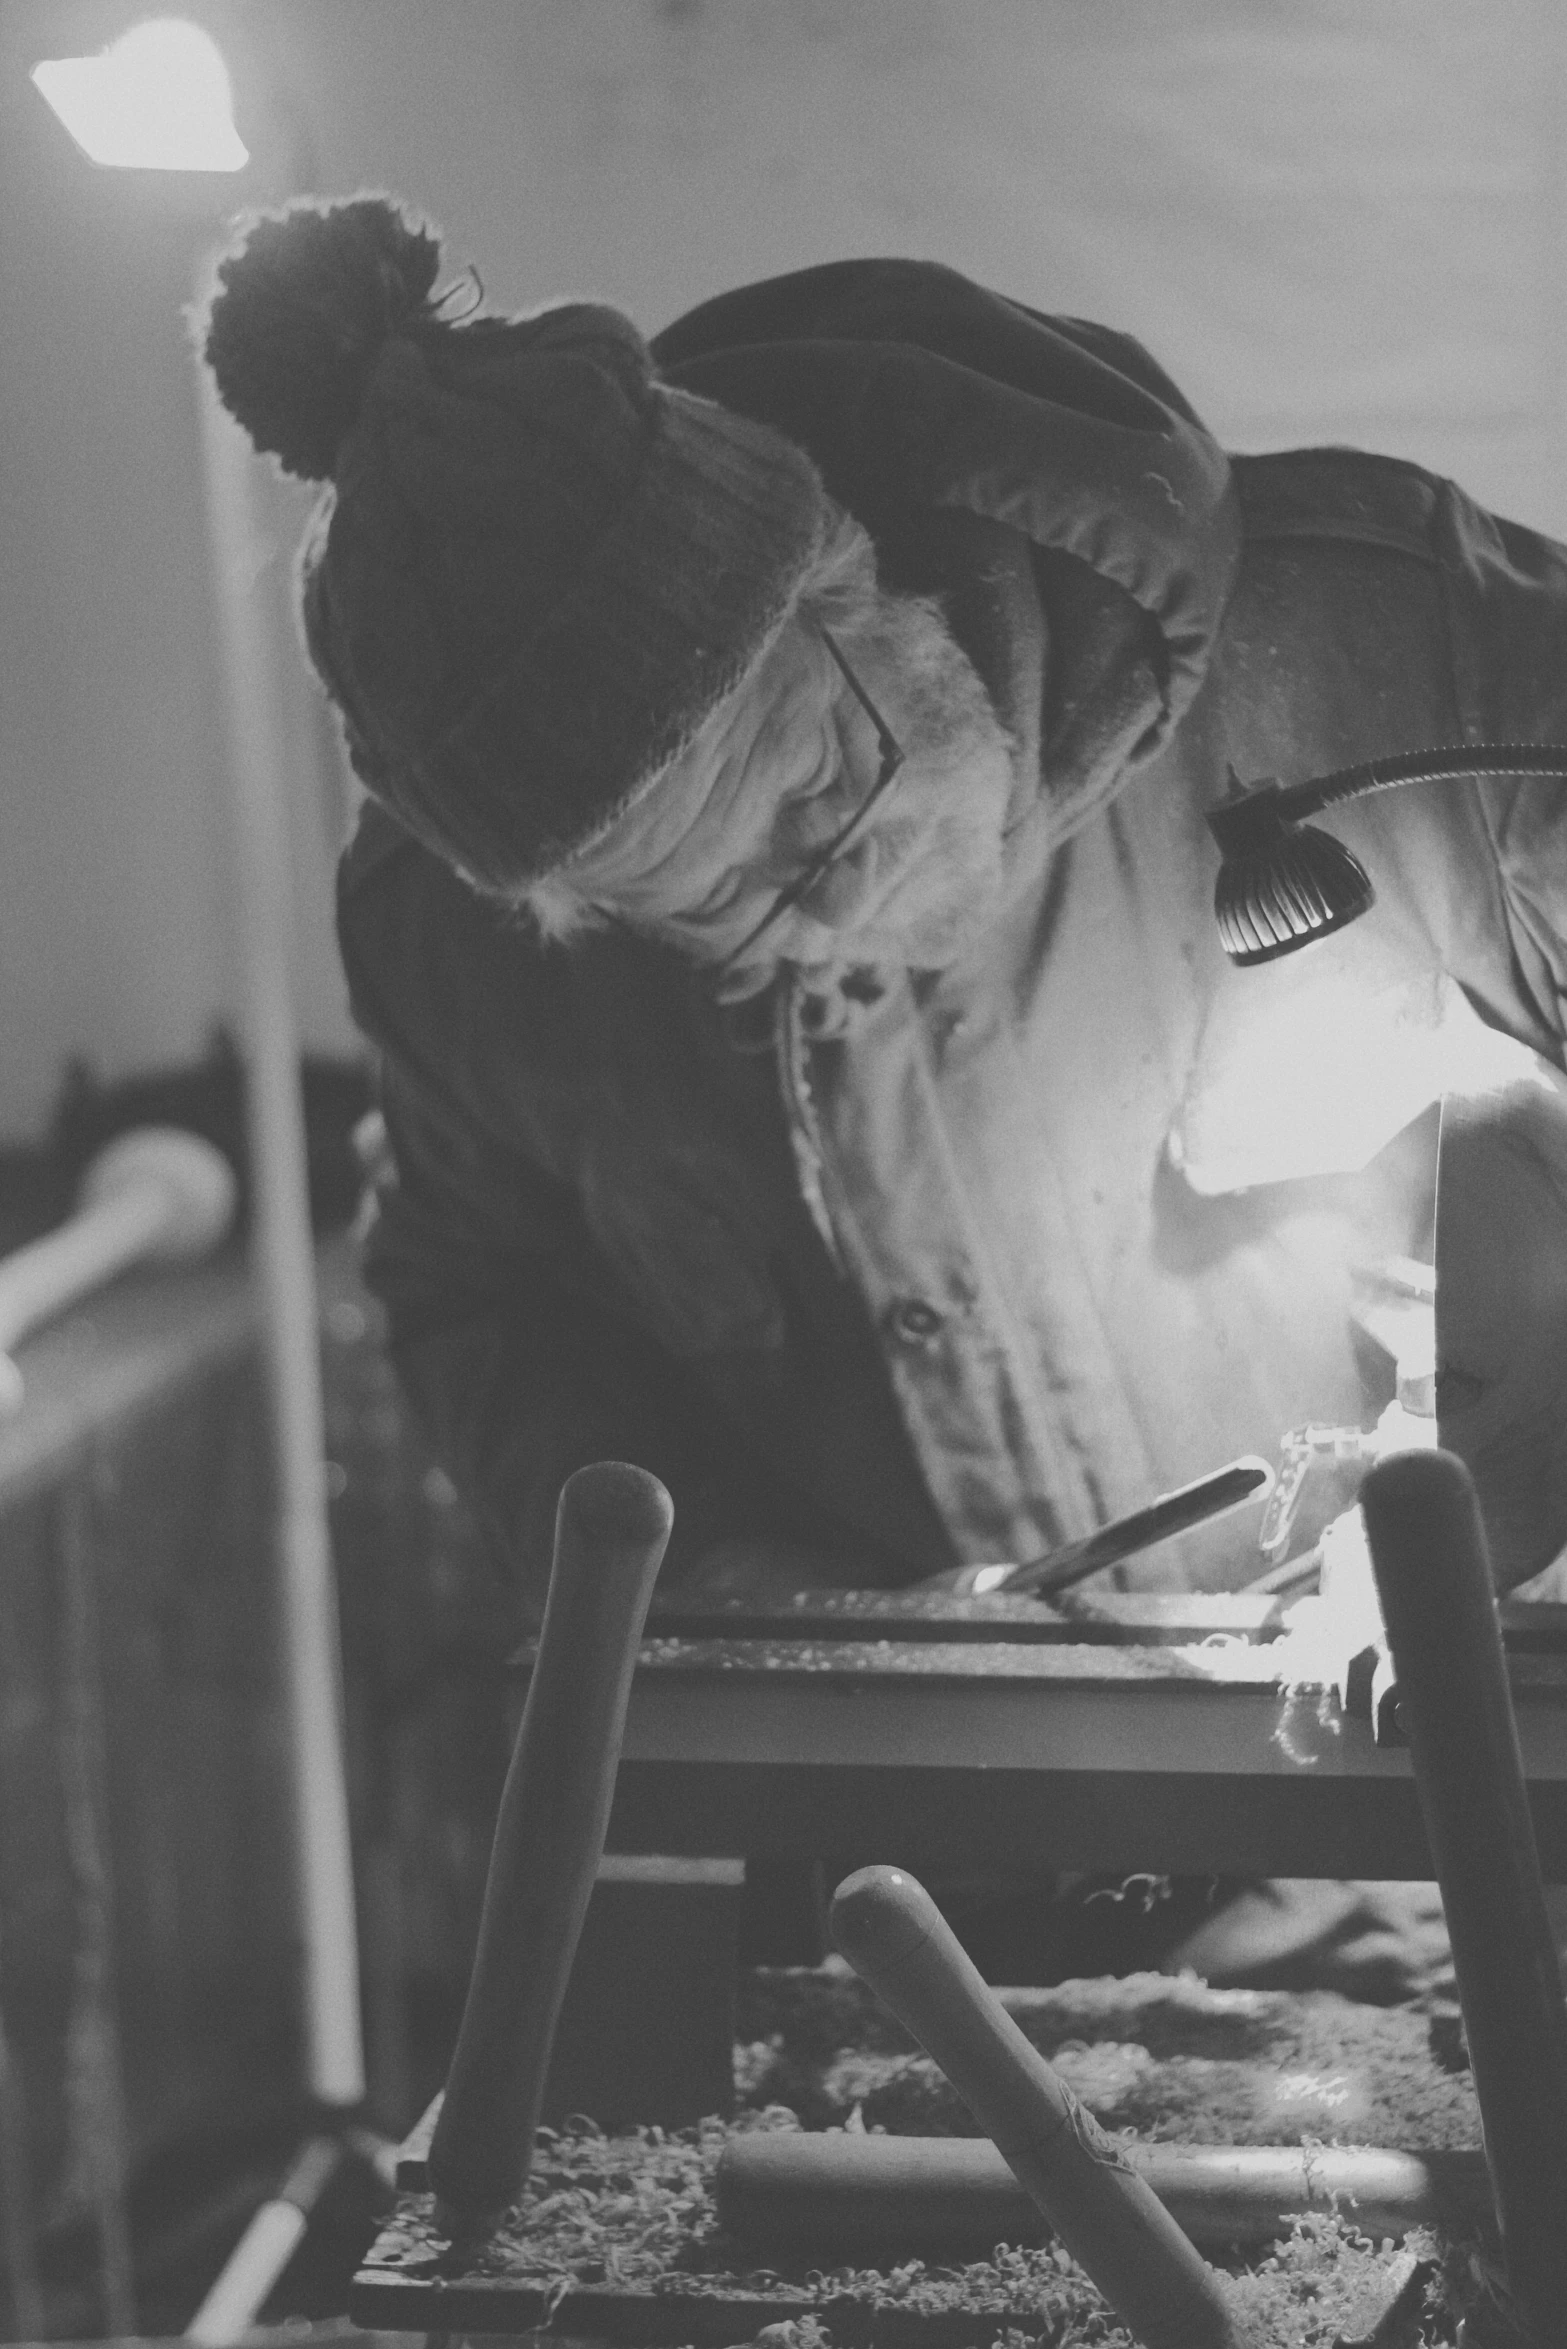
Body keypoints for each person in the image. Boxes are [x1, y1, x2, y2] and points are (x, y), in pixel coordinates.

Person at [202, 196, 1567, 1987]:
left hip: (1457, 1807)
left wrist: (1491, 1488)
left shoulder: (1374, 656)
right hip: (944, 1904)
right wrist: (774, 1615)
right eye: (727, 911)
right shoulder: (471, 971)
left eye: (821, 785)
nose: (833, 900)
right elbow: (479, 1307)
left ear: (852, 576)